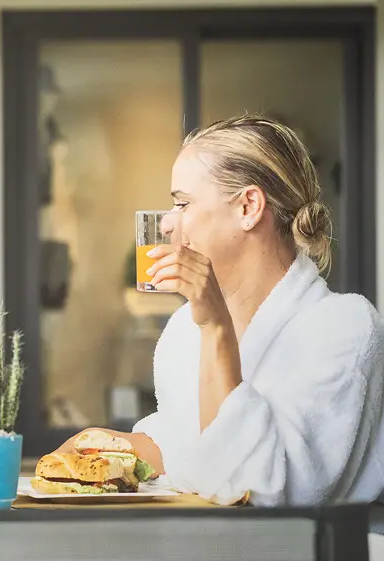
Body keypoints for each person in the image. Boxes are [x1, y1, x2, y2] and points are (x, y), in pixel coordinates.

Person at [60, 115, 384, 506]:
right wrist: (108, 446)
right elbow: (189, 445)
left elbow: (260, 492)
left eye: (183, 203)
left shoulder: (345, 326)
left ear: (248, 206)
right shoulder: (183, 330)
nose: (167, 224)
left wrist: (216, 327)